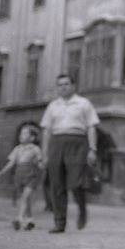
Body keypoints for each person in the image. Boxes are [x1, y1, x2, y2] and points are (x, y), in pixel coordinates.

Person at [40, 74, 100, 233]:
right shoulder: (53, 106)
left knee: (76, 181)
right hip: (56, 142)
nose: (63, 87)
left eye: (66, 84)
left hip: (77, 141)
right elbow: (46, 131)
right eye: (60, 85)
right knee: (57, 183)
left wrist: (92, 149)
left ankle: (82, 209)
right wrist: (45, 154)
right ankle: (59, 222)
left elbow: (91, 127)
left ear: (73, 86)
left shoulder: (83, 103)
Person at [0, 125, 42, 231]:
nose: (21, 135)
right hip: (19, 176)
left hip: (31, 176)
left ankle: (19, 219)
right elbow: (12, 162)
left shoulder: (35, 149)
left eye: (25, 133)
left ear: (32, 138)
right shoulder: (17, 149)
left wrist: (41, 166)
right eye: (21, 133)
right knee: (26, 199)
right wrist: (3, 171)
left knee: (25, 197)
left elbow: (40, 162)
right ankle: (30, 220)